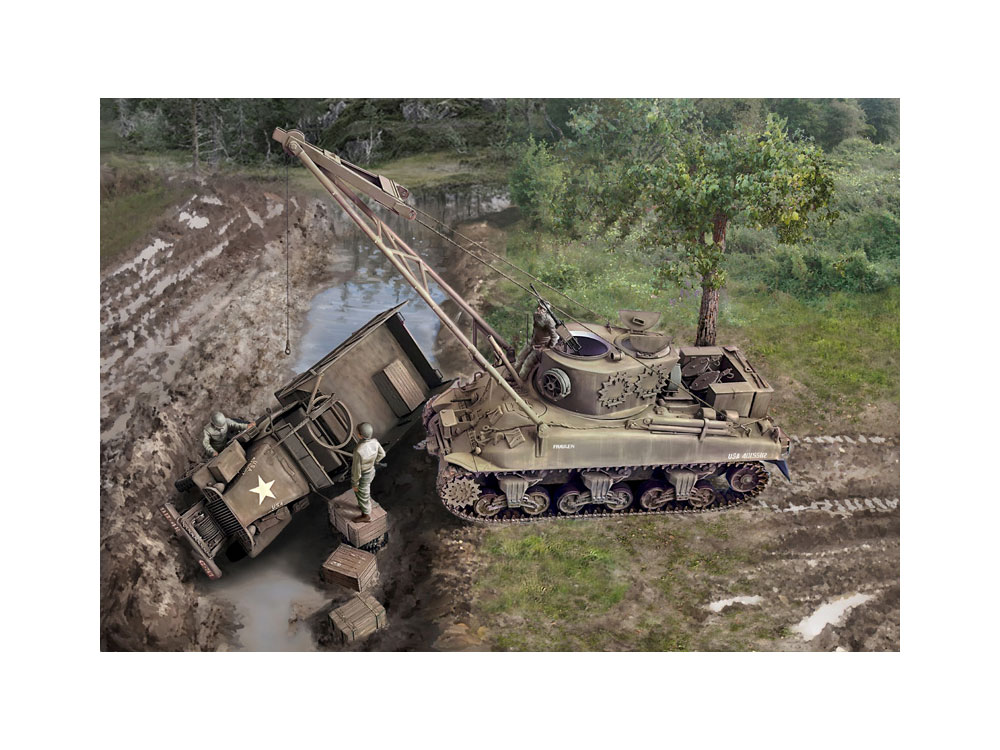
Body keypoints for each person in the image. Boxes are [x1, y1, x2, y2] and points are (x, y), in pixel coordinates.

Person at [513, 301, 561, 378]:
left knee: (527, 363)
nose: (538, 308)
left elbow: (555, 337)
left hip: (541, 346)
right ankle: (513, 375)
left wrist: (547, 347)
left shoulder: (550, 321)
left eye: (541, 308)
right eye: (538, 306)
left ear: (545, 311)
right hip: (533, 342)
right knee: (520, 358)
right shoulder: (536, 315)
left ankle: (520, 379)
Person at [351, 422, 385, 523]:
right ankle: (363, 506)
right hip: (371, 471)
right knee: (362, 492)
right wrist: (375, 461)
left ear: (360, 435)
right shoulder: (375, 442)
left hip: (363, 475)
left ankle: (366, 515)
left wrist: (354, 483)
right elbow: (382, 454)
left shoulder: (358, 450)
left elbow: (356, 470)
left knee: (363, 494)